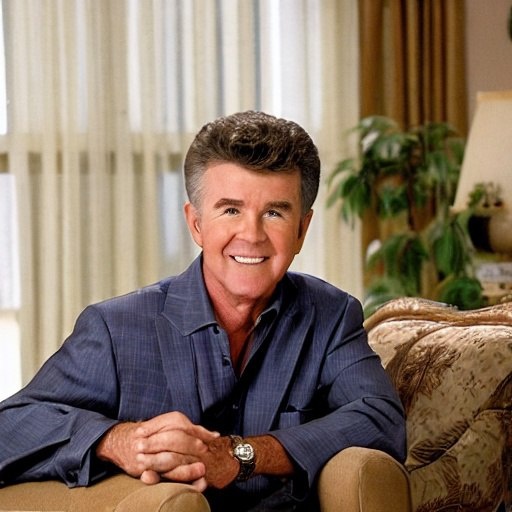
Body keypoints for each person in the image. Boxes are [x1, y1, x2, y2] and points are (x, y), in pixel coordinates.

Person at [0, 111, 406, 511]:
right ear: (196, 224)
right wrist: (118, 440)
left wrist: (244, 454)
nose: (252, 235)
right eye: (231, 210)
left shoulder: (331, 315)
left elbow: (382, 420)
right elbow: (10, 427)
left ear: (302, 229)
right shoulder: (116, 328)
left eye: (274, 212)